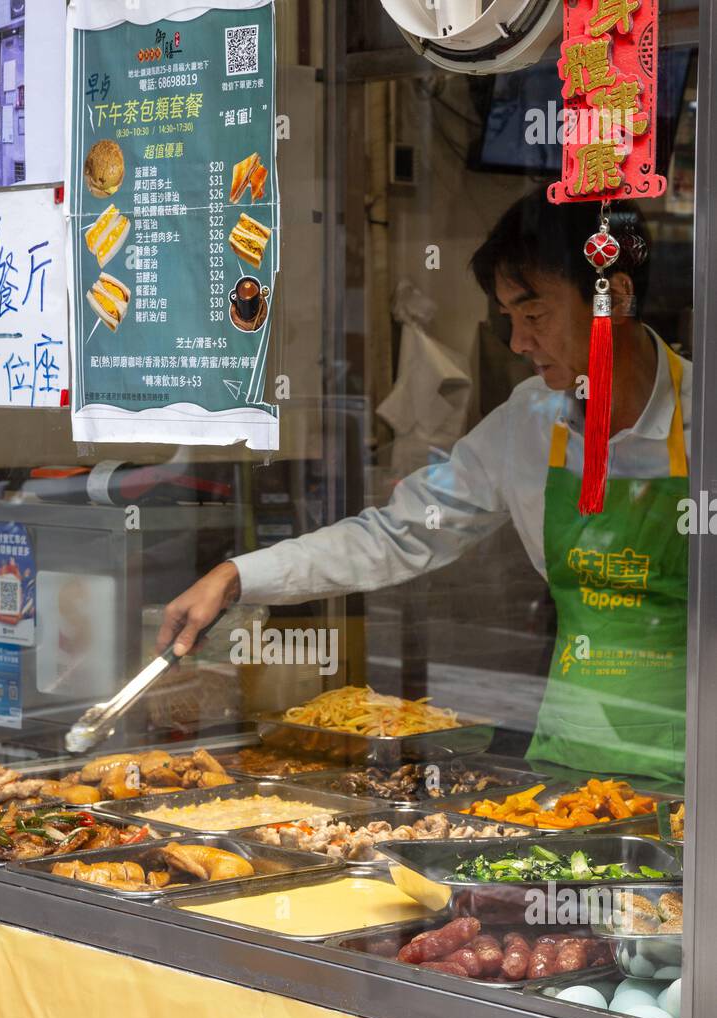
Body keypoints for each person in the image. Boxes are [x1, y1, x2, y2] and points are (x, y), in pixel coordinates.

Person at [157, 190, 691, 781]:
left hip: (697, 770)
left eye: (534, 315)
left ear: (612, 297)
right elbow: (399, 532)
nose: (517, 343)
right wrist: (239, 576)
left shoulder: (704, 421)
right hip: (569, 767)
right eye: (509, 319)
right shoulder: (530, 420)